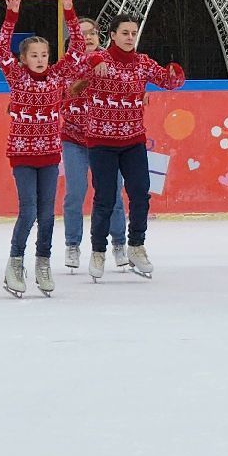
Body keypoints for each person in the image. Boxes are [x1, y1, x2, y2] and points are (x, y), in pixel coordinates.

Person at [0, 0, 106, 298]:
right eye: (34, 55)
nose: (41, 60)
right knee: (28, 210)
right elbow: (1, 49)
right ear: (24, 59)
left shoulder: (58, 77)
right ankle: (15, 262)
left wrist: (70, 12)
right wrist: (11, 17)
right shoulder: (17, 78)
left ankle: (42, 262)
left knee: (46, 214)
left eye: (44, 55)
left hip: (48, 153)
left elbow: (79, 49)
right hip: (21, 153)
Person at [81, 14, 186, 280]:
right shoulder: (99, 59)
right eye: (125, 33)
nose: (130, 37)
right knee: (105, 198)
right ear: (113, 35)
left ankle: (136, 245)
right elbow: (76, 69)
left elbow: (169, 82)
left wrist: (175, 71)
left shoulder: (142, 63)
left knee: (140, 192)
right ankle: (98, 251)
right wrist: (93, 60)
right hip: (102, 142)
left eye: (133, 33)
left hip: (133, 141)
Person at [60, 15, 127, 271]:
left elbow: (127, 84)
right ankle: (72, 245)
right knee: (74, 194)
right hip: (74, 139)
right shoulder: (67, 65)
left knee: (113, 195)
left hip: (106, 140)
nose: (87, 37)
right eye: (82, 33)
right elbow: (55, 95)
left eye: (92, 33)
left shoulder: (111, 62)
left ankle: (119, 243)